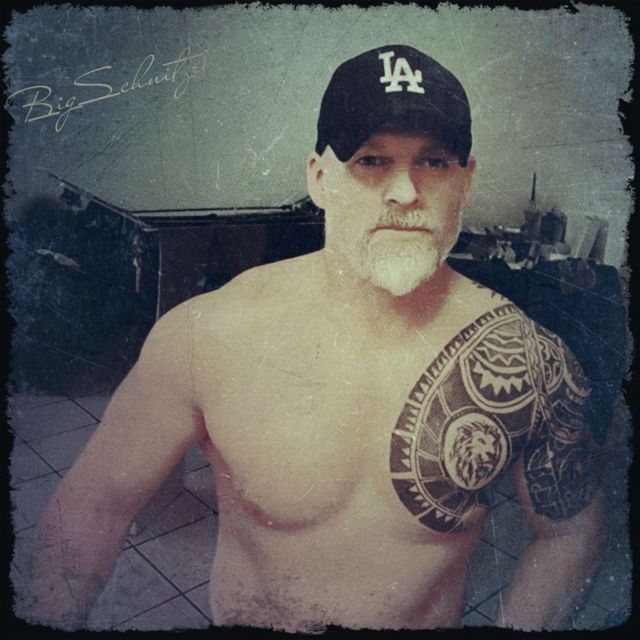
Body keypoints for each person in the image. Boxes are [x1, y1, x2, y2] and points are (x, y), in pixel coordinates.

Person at [23, 45, 602, 632]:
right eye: (371, 160)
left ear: (466, 181)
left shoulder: (528, 358)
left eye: (434, 162)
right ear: (320, 179)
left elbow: (569, 532)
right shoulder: (208, 335)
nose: (405, 191)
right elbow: (94, 507)